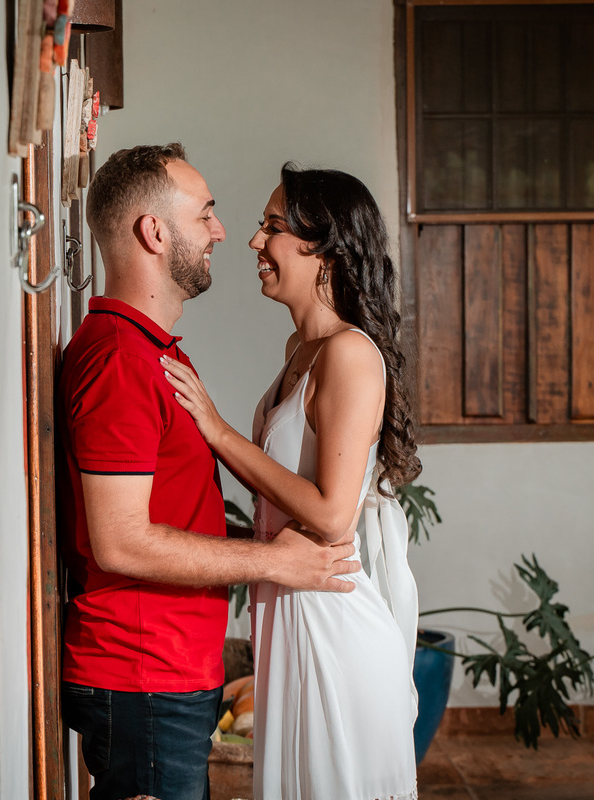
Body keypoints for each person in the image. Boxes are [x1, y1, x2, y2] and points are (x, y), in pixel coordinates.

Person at [57, 143, 363, 800]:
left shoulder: (153, 353)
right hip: (143, 678)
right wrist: (275, 564)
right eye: (207, 214)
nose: (226, 232)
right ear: (154, 232)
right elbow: (120, 541)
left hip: (165, 671)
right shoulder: (120, 362)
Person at [163, 164, 421, 800]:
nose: (255, 242)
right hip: (290, 612)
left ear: (325, 249)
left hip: (333, 625)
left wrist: (219, 433)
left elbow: (334, 516)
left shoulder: (351, 354)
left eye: (272, 227)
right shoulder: (299, 351)